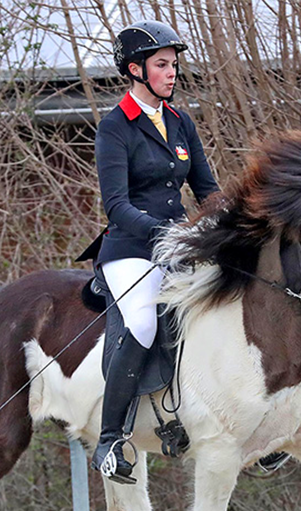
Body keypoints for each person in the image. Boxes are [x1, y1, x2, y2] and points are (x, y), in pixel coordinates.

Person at [83, 20, 220, 484]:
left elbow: (208, 191)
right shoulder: (115, 127)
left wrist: (231, 226)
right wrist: (166, 232)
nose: (171, 72)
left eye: (174, 65)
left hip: (178, 244)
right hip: (129, 249)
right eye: (162, 65)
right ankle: (110, 438)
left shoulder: (181, 123)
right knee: (142, 321)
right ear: (136, 69)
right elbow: (116, 205)